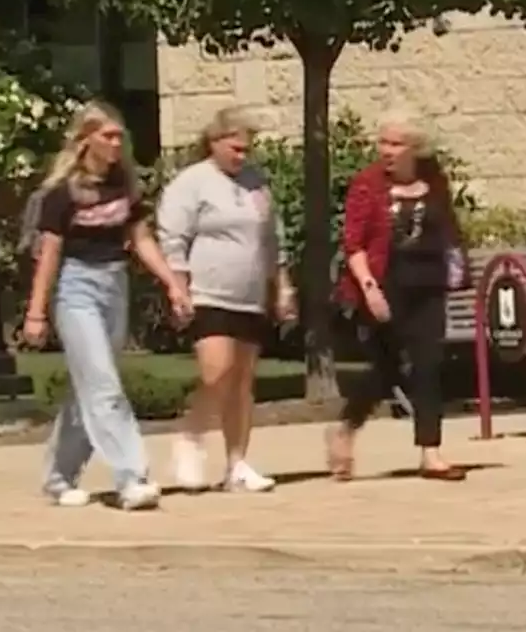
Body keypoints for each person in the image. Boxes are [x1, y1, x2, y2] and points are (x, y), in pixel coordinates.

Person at [23, 100, 191, 511]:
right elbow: (49, 254)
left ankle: (59, 478)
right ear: (85, 141)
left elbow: (141, 239)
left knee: (89, 390)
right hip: (76, 289)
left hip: (115, 284)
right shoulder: (61, 195)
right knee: (104, 386)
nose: (116, 143)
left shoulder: (123, 185)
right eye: (107, 136)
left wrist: (172, 283)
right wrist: (36, 312)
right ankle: (131, 476)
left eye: (119, 136)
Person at [156, 106, 297, 494]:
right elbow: (174, 238)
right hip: (208, 293)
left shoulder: (256, 184)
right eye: (235, 148)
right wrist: (178, 287)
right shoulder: (192, 183)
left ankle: (237, 463)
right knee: (215, 374)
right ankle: (191, 435)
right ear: (214, 142)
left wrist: (282, 286)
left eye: (246, 149)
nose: (241, 155)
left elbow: (272, 239)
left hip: (249, 295)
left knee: (241, 381)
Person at [326, 109, 472, 482]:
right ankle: (347, 425)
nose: (386, 150)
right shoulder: (367, 184)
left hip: (429, 285)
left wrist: (457, 272)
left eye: (396, 143)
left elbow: (449, 230)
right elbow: (354, 244)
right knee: (387, 368)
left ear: (415, 148)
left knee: (428, 364)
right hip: (384, 285)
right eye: (383, 142)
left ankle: (431, 453)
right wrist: (369, 290)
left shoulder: (433, 180)